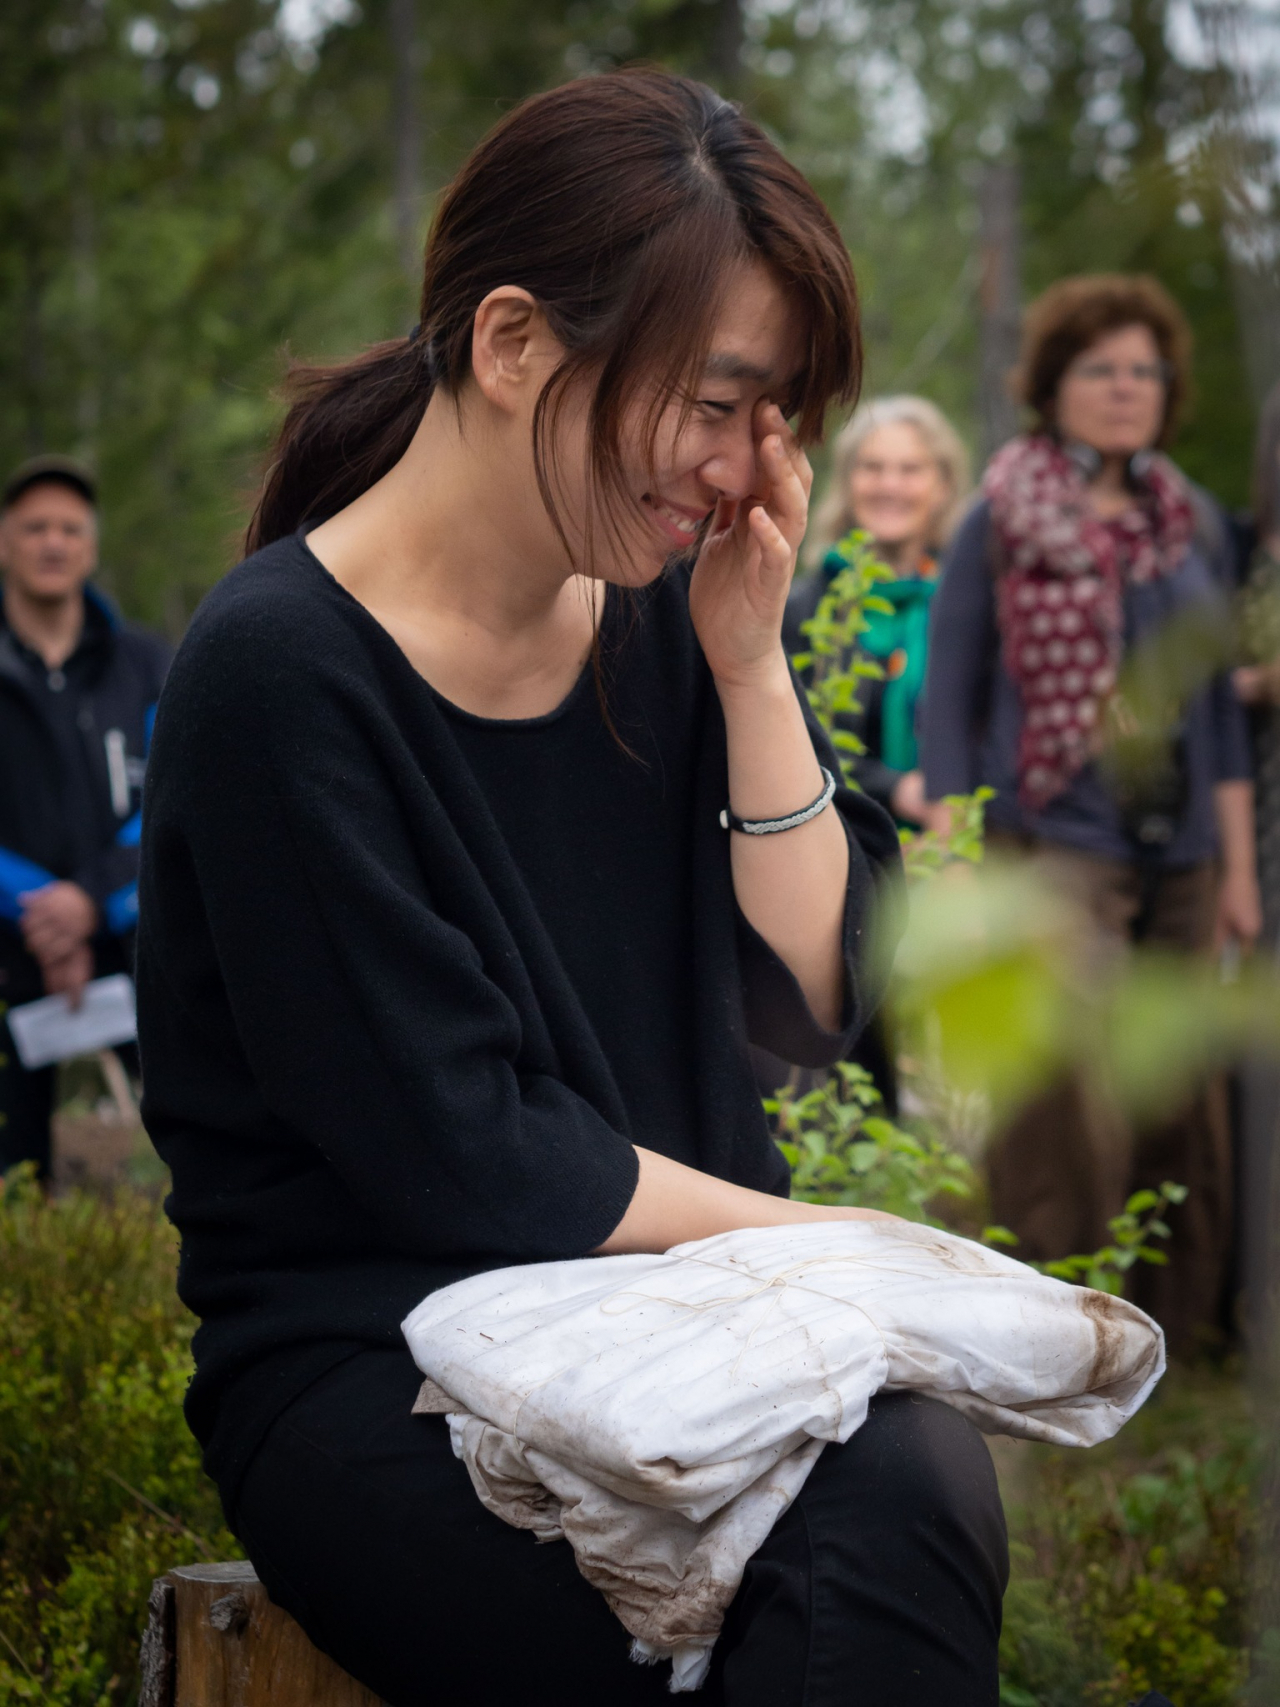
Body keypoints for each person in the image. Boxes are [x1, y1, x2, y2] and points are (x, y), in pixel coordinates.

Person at [136, 73, 1008, 1707]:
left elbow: (821, 994)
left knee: (896, 1485)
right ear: (516, 339)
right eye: (721, 403)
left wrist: (751, 673)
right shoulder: (278, 678)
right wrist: (837, 1249)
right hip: (380, 1375)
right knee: (862, 1520)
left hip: (697, 1332)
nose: (755, 469)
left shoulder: (666, 618)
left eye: (784, 416)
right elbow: (468, 1147)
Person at [919, 273, 1261, 1355]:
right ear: (1052, 386)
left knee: (1176, 1090)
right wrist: (957, 858)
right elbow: (948, 693)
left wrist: (1239, 868)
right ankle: (1053, 1326)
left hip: (1185, 851)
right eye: (1099, 369)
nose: (1125, 390)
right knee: (1059, 1093)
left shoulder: (1190, 523)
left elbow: (1213, 712)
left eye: (1143, 371)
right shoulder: (998, 516)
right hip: (1051, 836)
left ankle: (1176, 1331)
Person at [0, 457, 170, 1180]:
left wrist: (89, 901)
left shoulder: (146, 664)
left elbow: (174, 797)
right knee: (13, 1167)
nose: (53, 541)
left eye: (70, 527)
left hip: (135, 939)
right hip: (10, 945)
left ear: (91, 547)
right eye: (35, 526)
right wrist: (41, 908)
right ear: (5, 541)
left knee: (187, 1136)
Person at [785, 396, 970, 829]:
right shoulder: (804, 608)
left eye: (910, 470)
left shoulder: (969, 605)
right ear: (848, 483)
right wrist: (897, 789)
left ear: (942, 485)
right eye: (872, 467)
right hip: (841, 837)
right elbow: (789, 741)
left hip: (962, 851)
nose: (891, 485)